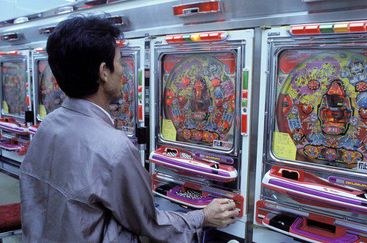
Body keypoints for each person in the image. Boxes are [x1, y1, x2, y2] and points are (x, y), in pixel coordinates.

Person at [20, 16, 239, 243]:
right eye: (120, 61)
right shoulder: (114, 147)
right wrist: (202, 217)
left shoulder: (47, 125)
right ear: (104, 71)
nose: (123, 70)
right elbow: (147, 223)